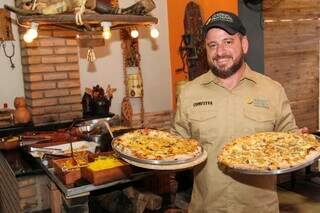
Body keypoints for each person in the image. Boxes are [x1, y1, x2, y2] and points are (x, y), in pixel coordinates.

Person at [172, 11, 305, 213]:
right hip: (207, 208)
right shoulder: (189, 93)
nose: (220, 51)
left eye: (227, 42)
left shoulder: (272, 90)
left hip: (259, 209)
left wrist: (299, 141)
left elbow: (290, 138)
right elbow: (176, 147)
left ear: (244, 44)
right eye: (212, 45)